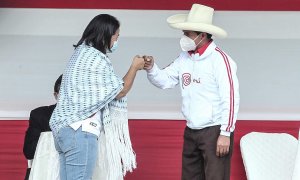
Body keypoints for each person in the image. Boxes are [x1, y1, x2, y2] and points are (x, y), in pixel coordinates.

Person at [143, 4, 240, 180]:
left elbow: (231, 97)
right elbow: (165, 80)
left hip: (215, 130)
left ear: (202, 36)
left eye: (188, 34)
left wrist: (225, 133)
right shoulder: (184, 58)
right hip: (191, 129)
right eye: (184, 33)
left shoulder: (220, 60)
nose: (184, 38)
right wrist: (151, 68)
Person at [49, 14, 144, 180]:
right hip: (80, 131)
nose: (116, 41)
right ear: (106, 35)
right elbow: (119, 91)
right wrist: (134, 67)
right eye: (116, 36)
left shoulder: (80, 54)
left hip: (64, 130)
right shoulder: (94, 59)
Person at [23, 74, 62, 180]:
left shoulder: (88, 118)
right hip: (43, 172)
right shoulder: (40, 115)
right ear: (56, 95)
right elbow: (29, 152)